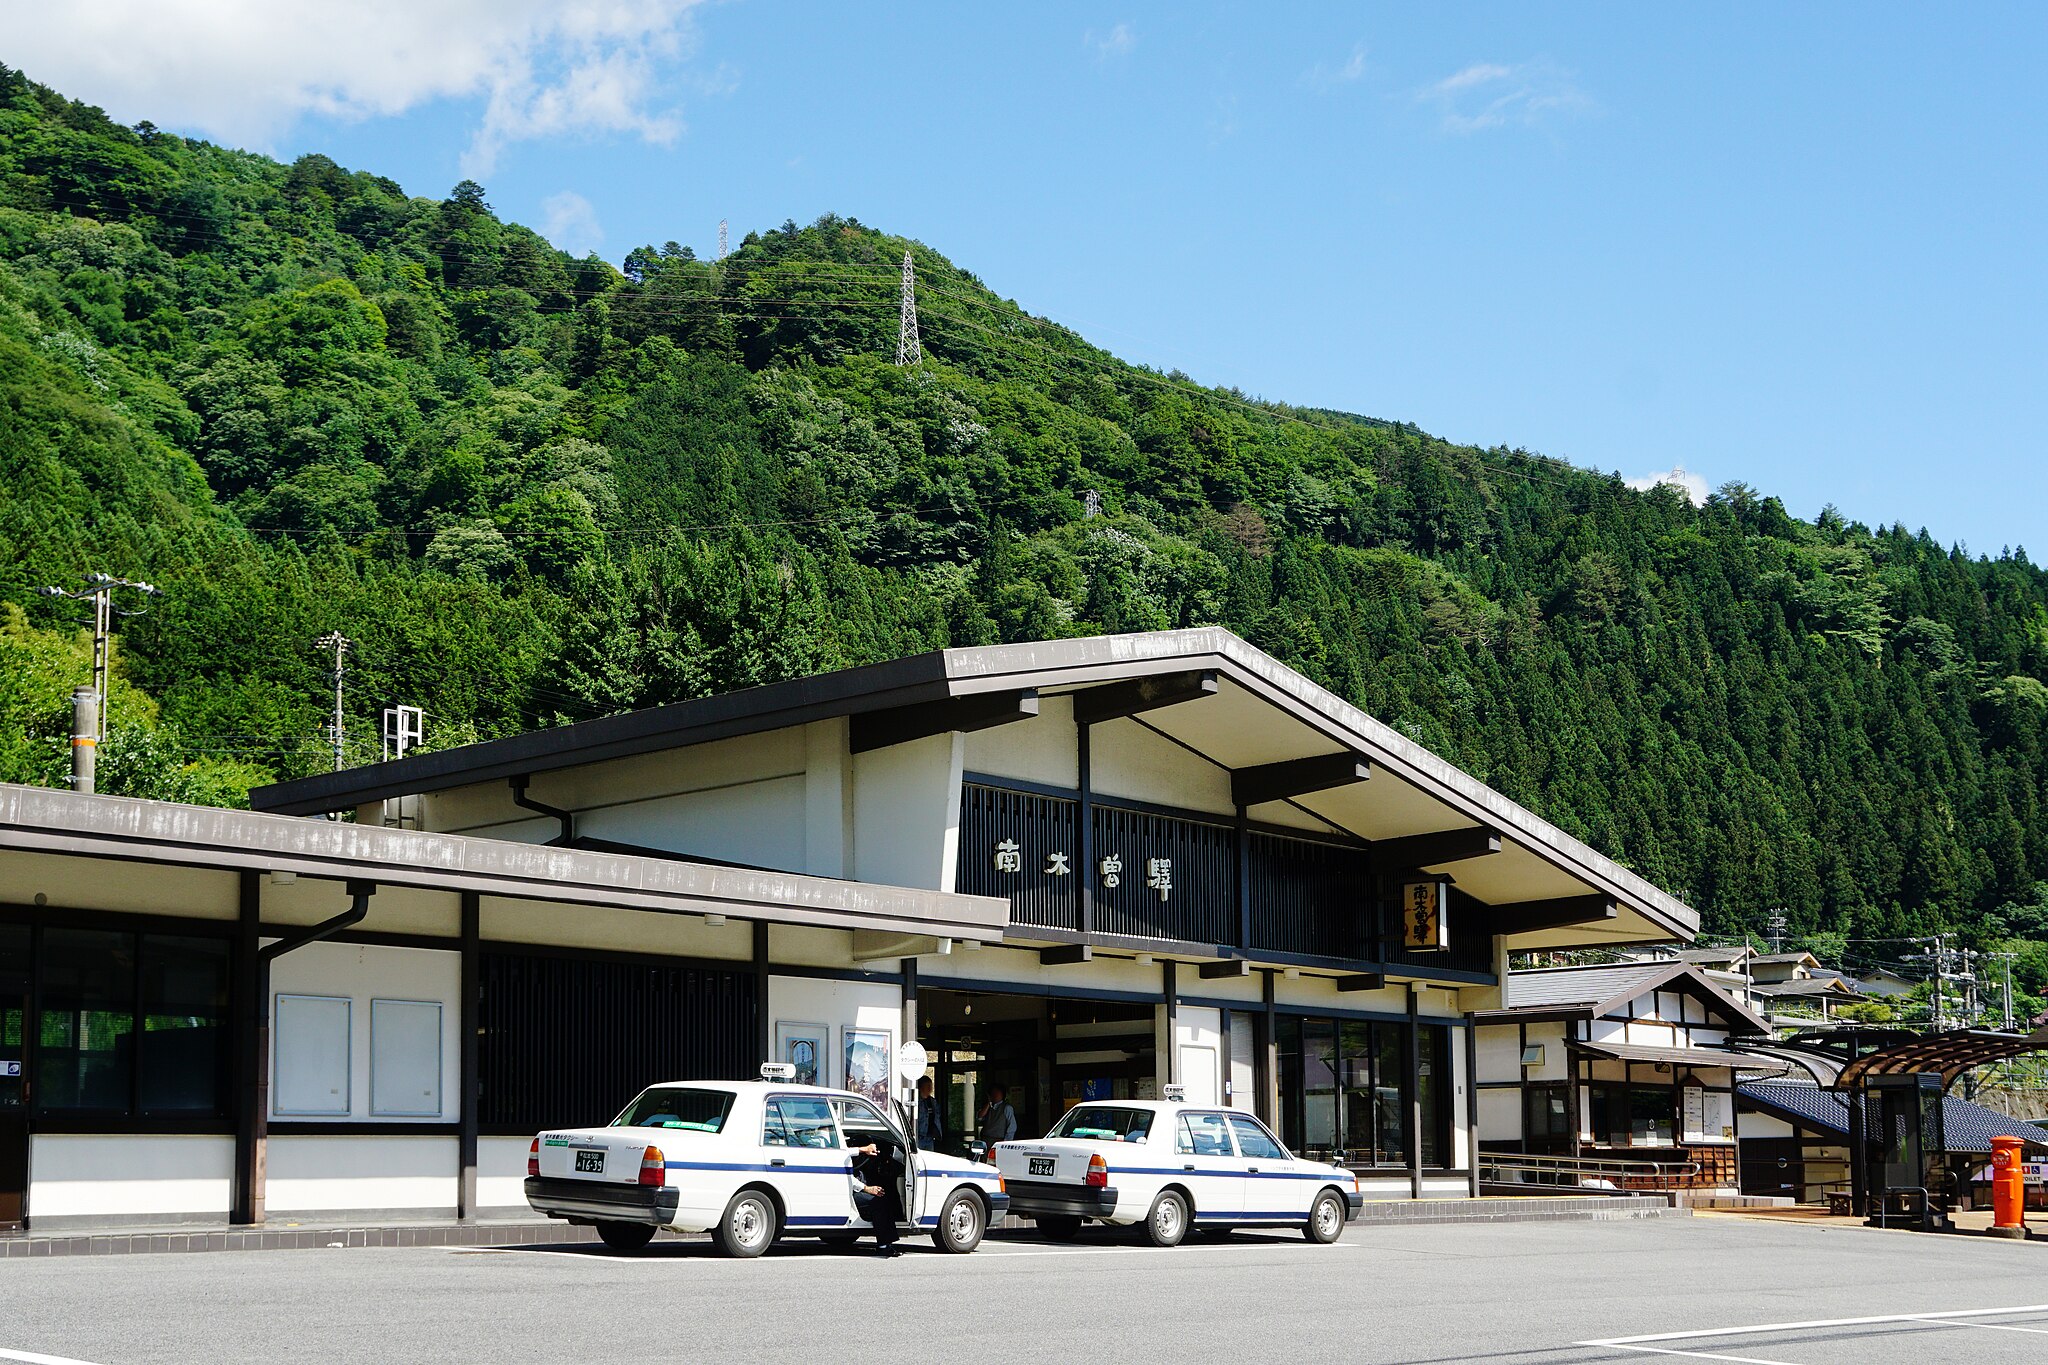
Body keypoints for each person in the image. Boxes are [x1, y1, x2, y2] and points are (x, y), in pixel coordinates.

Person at [849, 1133, 905, 1257]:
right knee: (879, 1202)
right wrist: (867, 1188)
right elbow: (848, 1179)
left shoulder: (856, 1159)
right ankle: (883, 1246)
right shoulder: (846, 1156)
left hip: (857, 1188)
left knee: (885, 1195)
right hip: (851, 1192)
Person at [915, 1076, 945, 1153]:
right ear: (921, 1087)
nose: (930, 1089)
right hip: (919, 1136)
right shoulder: (916, 1102)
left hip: (930, 1137)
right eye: (928, 1086)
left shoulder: (933, 1102)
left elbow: (937, 1116)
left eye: (931, 1086)